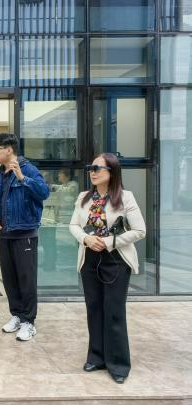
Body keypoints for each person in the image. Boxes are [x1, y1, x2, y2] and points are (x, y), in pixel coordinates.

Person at [69, 153, 146, 384]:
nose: (92, 172)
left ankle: (118, 364)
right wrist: (86, 238)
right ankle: (96, 357)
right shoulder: (84, 197)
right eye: (90, 168)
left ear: (112, 171)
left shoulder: (125, 197)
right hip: (89, 259)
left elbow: (140, 231)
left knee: (113, 311)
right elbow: (73, 225)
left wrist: (110, 241)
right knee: (94, 308)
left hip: (116, 260)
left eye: (98, 168)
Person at [0, 133, 49, 341]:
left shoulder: (28, 169)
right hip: (6, 234)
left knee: (26, 280)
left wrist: (22, 178)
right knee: (10, 279)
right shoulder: (0, 174)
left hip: (25, 234)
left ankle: (29, 322)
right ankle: (17, 315)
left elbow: (44, 192)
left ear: (9, 149)